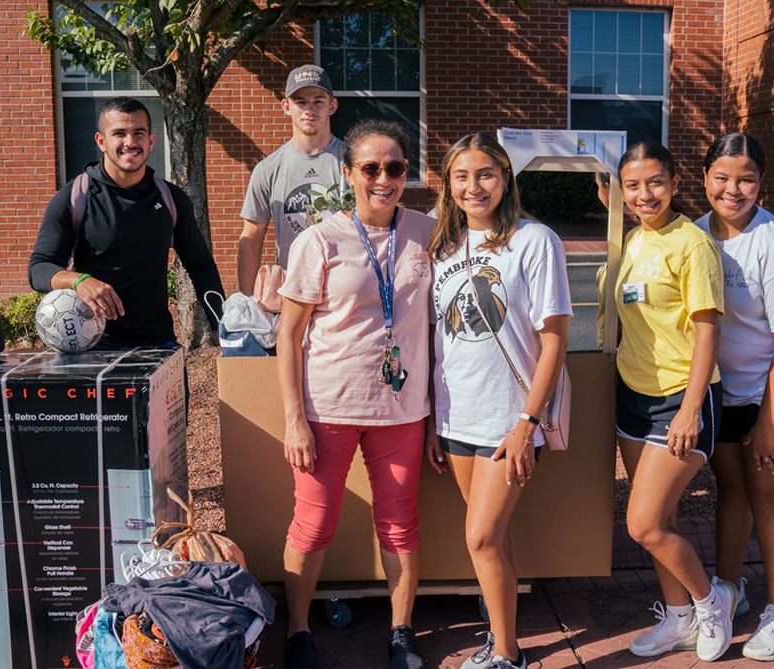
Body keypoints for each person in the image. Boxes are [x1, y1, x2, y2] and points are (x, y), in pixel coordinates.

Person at [276, 120, 433, 669]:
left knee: (399, 522)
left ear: (406, 174)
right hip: (328, 409)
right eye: (370, 168)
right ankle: (297, 631)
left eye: (394, 167)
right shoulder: (320, 239)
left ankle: (401, 630)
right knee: (314, 523)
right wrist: (294, 419)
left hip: (403, 411)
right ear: (349, 174)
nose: (382, 178)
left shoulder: (428, 232)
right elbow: (288, 335)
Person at [425, 133, 571, 669]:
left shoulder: (535, 241)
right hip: (458, 414)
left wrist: (526, 424)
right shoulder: (445, 246)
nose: (473, 186)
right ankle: (500, 641)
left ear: (505, 177)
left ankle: (507, 656)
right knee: (493, 540)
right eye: (460, 176)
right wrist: (434, 423)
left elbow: (554, 338)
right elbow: (441, 340)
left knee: (481, 537)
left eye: (484, 173)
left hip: (509, 418)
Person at [695, 133, 774, 662]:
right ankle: (730, 592)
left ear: (761, 185)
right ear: (705, 179)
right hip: (730, 387)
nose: (733, 189)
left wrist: (770, 423)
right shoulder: (700, 233)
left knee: (768, 495)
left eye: (746, 178)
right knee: (731, 488)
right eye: (722, 177)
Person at [613, 142, 737, 662]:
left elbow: (708, 331)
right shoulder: (634, 237)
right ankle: (679, 616)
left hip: (681, 399)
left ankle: (712, 603)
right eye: (633, 185)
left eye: (655, 182)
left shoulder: (693, 243)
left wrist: (690, 409)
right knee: (661, 521)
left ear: (676, 181)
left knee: (642, 524)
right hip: (632, 398)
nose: (645, 194)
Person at [28, 96, 223, 350]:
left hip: (158, 343)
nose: (130, 142)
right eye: (119, 133)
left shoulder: (171, 199)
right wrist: (78, 280)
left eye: (138, 133)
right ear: (101, 141)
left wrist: (223, 325)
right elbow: (38, 269)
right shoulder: (74, 197)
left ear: (151, 140)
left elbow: (200, 265)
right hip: (92, 346)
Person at [238, 64, 344, 296]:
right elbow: (251, 238)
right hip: (293, 292)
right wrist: (246, 301)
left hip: (345, 289)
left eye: (318, 101)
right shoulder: (268, 169)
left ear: (332, 106)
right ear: (286, 107)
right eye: (300, 102)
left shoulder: (353, 163)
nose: (309, 109)